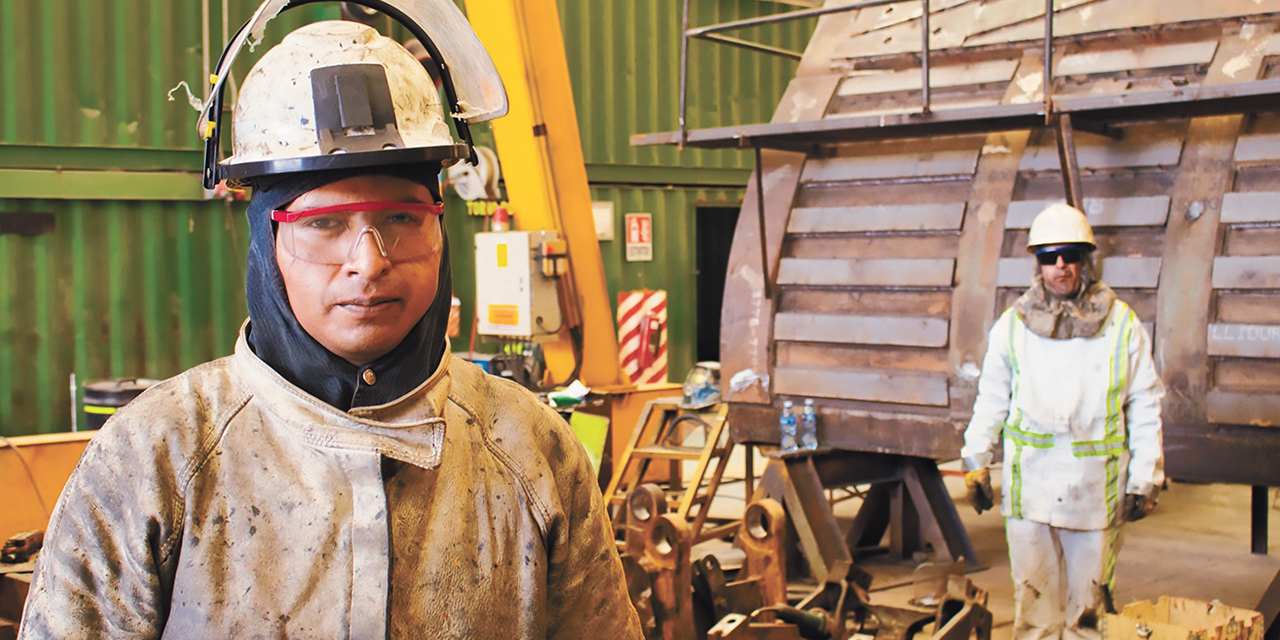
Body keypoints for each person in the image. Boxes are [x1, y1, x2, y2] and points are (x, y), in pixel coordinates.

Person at [19, 8, 641, 639]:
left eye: (401, 219)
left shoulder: (532, 452)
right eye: (323, 225)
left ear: (441, 226)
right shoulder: (156, 458)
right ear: (266, 240)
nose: (369, 263)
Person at [960, 203, 1164, 640]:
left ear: (1085, 260)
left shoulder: (1122, 325)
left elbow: (1145, 402)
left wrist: (1145, 478)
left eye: (1070, 255)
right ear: (1037, 263)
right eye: (1049, 257)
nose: (1060, 266)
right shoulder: (1013, 327)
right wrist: (975, 459)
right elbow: (991, 399)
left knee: (1089, 614)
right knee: (1033, 608)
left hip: (1094, 489)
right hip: (1029, 487)